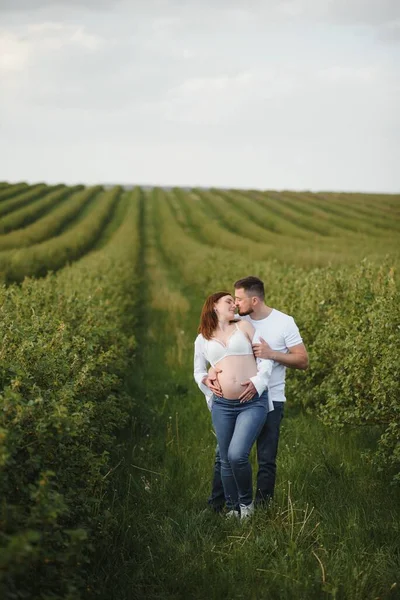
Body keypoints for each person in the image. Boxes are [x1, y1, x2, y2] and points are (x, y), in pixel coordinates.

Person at [206, 276, 309, 511]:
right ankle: (219, 504)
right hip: (235, 401)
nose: (235, 304)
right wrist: (211, 370)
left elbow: (303, 361)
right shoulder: (237, 320)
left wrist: (272, 354)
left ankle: (263, 509)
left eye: (239, 299)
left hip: (272, 396)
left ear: (254, 299)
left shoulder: (284, 322)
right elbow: (221, 349)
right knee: (224, 456)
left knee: (266, 458)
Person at [194, 291, 274, 519]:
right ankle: (232, 508)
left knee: (238, 454)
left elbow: (265, 358)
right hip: (223, 405)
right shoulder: (202, 338)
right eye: (228, 301)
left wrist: (258, 382)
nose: (234, 305)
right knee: (226, 458)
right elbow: (198, 371)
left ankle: (246, 505)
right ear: (214, 307)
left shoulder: (245, 327)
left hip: (251, 402)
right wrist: (205, 379)